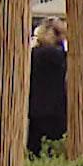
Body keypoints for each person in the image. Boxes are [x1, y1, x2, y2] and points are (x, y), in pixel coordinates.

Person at [26, 20, 68, 157]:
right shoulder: (59, 56)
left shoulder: (33, 54)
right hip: (56, 110)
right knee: (54, 149)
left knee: (34, 148)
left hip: (35, 109)